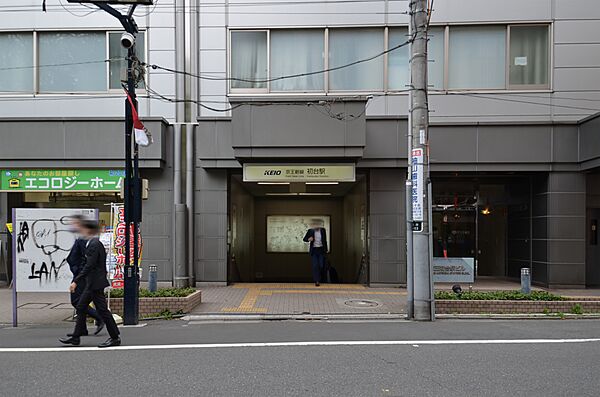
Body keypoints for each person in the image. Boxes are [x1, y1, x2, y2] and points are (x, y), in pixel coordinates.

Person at [59, 219, 121, 348]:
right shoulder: (91, 243)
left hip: (95, 284)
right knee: (81, 306)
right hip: (91, 283)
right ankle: (76, 337)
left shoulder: (94, 244)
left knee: (103, 311)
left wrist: (76, 281)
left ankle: (115, 337)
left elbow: (89, 265)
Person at [65, 215, 104, 337]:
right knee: (81, 302)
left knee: (77, 302)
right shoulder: (82, 238)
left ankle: (99, 318)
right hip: (82, 275)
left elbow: (86, 260)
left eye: (75, 223)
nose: (72, 226)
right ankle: (81, 329)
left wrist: (78, 273)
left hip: (82, 275)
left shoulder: (86, 240)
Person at [303, 219, 328, 287]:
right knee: (315, 265)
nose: (316, 226)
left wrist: (326, 250)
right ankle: (317, 281)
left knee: (321, 265)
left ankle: (321, 278)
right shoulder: (310, 231)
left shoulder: (323, 230)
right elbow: (304, 239)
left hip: (321, 250)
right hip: (314, 250)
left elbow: (324, 240)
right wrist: (309, 239)